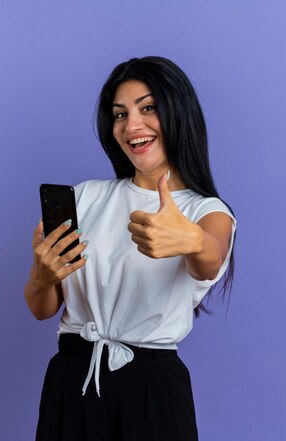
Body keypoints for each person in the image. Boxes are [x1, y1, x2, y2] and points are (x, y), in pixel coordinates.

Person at [24, 56, 237, 441]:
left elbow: (210, 258)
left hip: (151, 388)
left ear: (178, 112)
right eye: (119, 114)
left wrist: (190, 240)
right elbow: (43, 309)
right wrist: (41, 277)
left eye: (148, 108)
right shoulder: (85, 197)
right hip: (73, 378)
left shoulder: (205, 211)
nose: (131, 126)